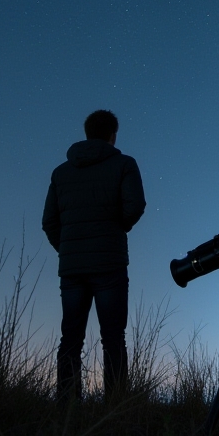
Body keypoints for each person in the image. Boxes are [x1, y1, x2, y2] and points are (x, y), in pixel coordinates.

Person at [43, 109, 146, 403]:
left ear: (87, 133)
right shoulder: (124, 164)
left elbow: (49, 222)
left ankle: (67, 408)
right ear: (113, 135)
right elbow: (135, 206)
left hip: (72, 268)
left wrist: (67, 250)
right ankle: (114, 408)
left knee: (70, 340)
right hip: (109, 264)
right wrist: (117, 227)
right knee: (113, 339)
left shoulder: (61, 173)